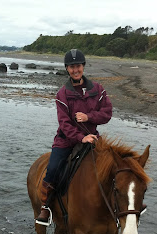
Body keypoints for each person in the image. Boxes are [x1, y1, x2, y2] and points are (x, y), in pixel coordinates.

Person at [36, 49, 112, 225]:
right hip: (66, 140)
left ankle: (123, 203)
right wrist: (80, 137)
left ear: (83, 67)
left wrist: (89, 117)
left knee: (113, 164)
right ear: (67, 69)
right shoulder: (62, 94)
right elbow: (64, 123)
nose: (75, 70)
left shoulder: (98, 90)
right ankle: (45, 207)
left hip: (93, 138)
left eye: (78, 66)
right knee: (53, 168)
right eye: (71, 67)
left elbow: (107, 113)